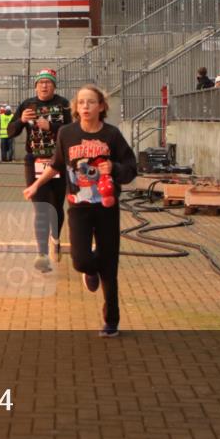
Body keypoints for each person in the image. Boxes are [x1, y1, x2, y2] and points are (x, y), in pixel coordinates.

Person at [23, 85, 136, 338]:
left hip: (107, 207)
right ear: (76, 107)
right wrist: (35, 185)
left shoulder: (112, 135)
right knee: (80, 260)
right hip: (78, 207)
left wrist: (114, 168)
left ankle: (111, 320)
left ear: (101, 106)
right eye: (81, 102)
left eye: (91, 102)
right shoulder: (67, 133)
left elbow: (131, 168)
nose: (85, 107)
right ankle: (90, 269)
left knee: (110, 264)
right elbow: (56, 165)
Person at [8, 68, 72, 272]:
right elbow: (9, 131)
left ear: (54, 85)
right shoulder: (27, 105)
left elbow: (73, 131)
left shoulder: (63, 105)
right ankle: (42, 254)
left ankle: (55, 238)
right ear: (36, 86)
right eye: (41, 82)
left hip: (59, 162)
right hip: (34, 161)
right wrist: (21, 121)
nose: (44, 85)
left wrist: (51, 127)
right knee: (41, 209)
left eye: (48, 82)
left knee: (56, 207)